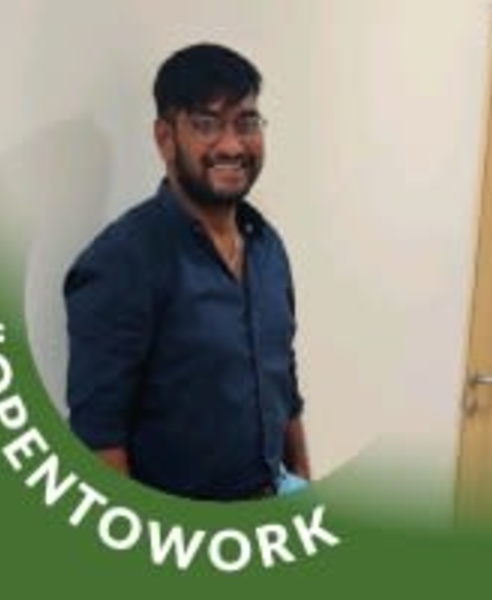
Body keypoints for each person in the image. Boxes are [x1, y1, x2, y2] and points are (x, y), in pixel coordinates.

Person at [64, 42, 311, 501]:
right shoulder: (122, 261)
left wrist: (304, 484)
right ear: (165, 138)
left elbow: (284, 380)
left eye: (246, 122)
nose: (232, 145)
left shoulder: (267, 246)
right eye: (206, 124)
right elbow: (98, 440)